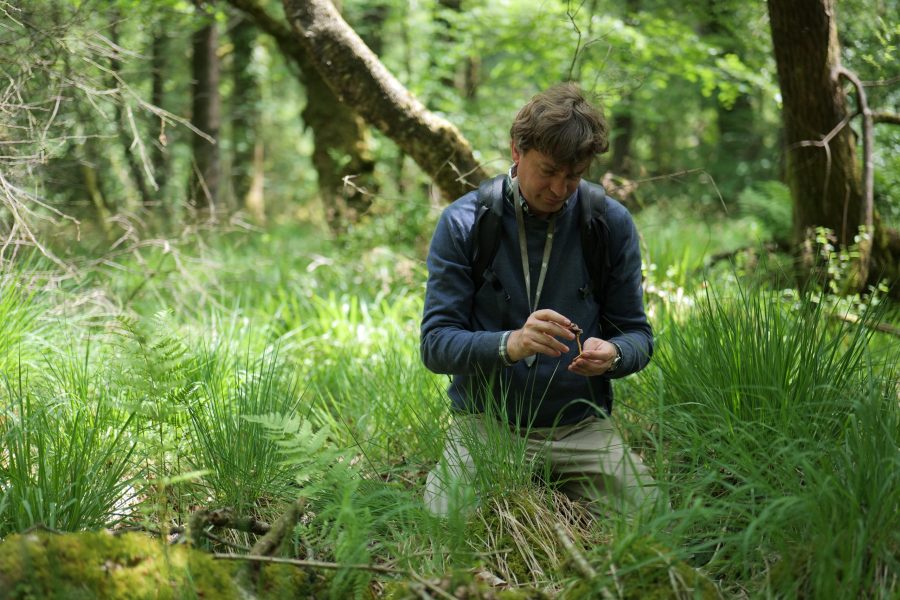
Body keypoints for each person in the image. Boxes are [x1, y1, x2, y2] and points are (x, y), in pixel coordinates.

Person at [420, 83, 656, 516]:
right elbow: (435, 345)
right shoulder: (464, 223)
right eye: (547, 171)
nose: (560, 188)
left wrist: (616, 354)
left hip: (580, 427)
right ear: (516, 149)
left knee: (651, 515)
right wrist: (509, 344)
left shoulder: (608, 224)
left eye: (574, 176)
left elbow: (638, 335)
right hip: (487, 425)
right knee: (446, 516)